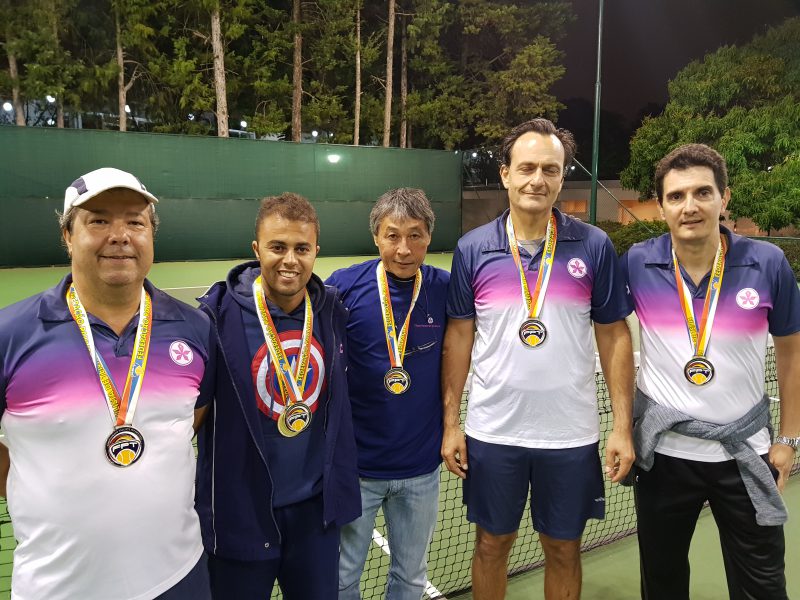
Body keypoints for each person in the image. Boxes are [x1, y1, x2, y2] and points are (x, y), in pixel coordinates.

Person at [442, 118, 635, 600]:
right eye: (526, 167)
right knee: (491, 544)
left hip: (570, 435)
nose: (537, 180)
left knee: (564, 548)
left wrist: (622, 427)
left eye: (550, 169)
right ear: (505, 173)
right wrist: (451, 423)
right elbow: (459, 338)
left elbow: (614, 336)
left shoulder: (593, 245)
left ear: (561, 175)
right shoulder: (472, 249)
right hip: (493, 432)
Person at [0, 167, 213, 600]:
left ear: (151, 234)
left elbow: (191, 417)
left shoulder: (195, 328)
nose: (120, 235)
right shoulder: (10, 333)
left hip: (179, 578)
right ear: (67, 234)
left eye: (135, 221)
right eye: (98, 220)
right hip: (57, 589)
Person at [622, 143, 800, 600]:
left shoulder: (768, 263)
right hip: (664, 458)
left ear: (725, 198)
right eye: (677, 196)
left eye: (703, 192)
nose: (690, 206)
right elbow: (609, 337)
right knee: (661, 584)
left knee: (763, 586)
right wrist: (623, 428)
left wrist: (788, 438)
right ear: (660, 206)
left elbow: (791, 352)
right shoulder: (639, 262)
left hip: (746, 454)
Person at [195, 192, 360, 600]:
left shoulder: (330, 310)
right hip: (241, 515)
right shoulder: (215, 317)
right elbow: (189, 423)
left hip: (314, 515)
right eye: (278, 247)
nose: (290, 260)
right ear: (256, 250)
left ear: (316, 251)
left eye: (302, 248)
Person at [326, 188, 449, 600]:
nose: (403, 249)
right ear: (376, 237)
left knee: (411, 577)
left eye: (415, 235)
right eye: (392, 235)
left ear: (429, 237)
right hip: (357, 468)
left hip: (421, 470)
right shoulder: (343, 287)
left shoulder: (445, 289)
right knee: (343, 578)